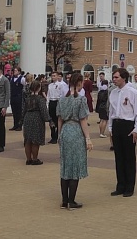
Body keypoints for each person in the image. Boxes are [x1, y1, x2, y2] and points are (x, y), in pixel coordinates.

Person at [58, 73, 93, 209]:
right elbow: (83, 120)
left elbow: (60, 119)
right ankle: (71, 201)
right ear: (78, 82)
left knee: (66, 166)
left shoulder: (62, 99)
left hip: (65, 131)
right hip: (76, 131)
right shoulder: (80, 99)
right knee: (75, 165)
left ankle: (64, 200)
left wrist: (60, 135)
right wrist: (88, 138)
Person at [108, 68, 137, 196]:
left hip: (128, 125)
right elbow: (111, 111)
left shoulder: (132, 92)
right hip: (117, 125)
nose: (114, 79)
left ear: (123, 78)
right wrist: (110, 128)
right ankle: (120, 185)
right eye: (114, 77)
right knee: (119, 157)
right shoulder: (113, 93)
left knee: (129, 157)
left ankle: (129, 186)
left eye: (116, 77)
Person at [23, 80, 52, 165]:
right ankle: (35, 159)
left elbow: (23, 110)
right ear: (39, 88)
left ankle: (28, 159)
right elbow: (44, 111)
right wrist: (49, 120)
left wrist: (21, 120)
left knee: (28, 139)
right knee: (35, 139)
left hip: (27, 117)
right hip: (37, 118)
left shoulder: (27, 98)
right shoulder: (40, 99)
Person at [47, 71, 69, 144]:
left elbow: (63, 94)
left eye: (54, 76)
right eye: (52, 76)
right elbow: (48, 95)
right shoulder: (50, 85)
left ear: (57, 76)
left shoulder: (61, 85)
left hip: (57, 101)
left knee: (57, 119)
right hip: (51, 102)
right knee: (51, 120)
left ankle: (57, 135)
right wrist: (47, 104)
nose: (53, 77)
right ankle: (52, 136)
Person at [9, 66, 26, 131]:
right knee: (14, 111)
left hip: (19, 96)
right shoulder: (12, 78)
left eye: (15, 71)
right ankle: (15, 125)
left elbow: (24, 86)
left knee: (19, 111)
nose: (14, 72)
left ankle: (19, 125)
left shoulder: (22, 79)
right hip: (13, 96)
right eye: (14, 71)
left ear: (19, 72)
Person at [95, 72, 110, 138]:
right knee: (105, 120)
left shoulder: (100, 91)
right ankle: (102, 133)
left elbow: (98, 100)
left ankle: (101, 132)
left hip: (100, 107)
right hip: (105, 107)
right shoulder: (107, 92)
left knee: (101, 120)